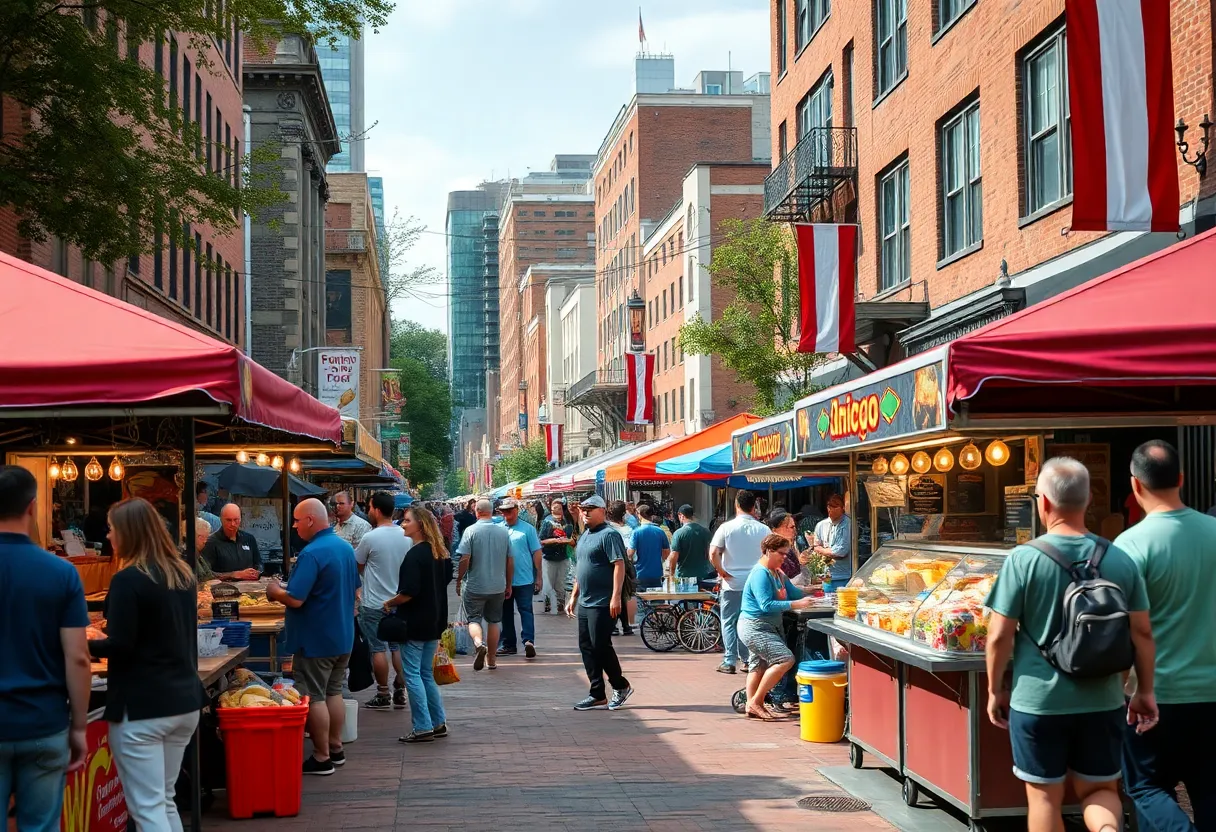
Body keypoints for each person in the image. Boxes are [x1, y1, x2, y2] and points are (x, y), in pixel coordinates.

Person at [985, 457, 1156, 832]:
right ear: (1089, 499)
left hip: (1038, 702)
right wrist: (1144, 690)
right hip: (1104, 700)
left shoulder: (1024, 559)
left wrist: (994, 689)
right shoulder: (1120, 559)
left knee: (1045, 797)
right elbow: (1142, 633)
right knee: (1099, 790)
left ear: (1042, 502)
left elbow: (999, 635)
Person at [1114, 440, 1216, 830]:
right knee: (1210, 790)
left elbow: (1122, 628)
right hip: (1212, 692)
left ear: (1135, 486)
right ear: (1182, 479)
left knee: (1146, 787)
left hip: (1153, 695)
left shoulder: (1130, 546)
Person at [88, 498, 207, 831]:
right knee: (163, 801)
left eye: (112, 529)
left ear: (128, 532)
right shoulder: (182, 575)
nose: (109, 536)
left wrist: (79, 643)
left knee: (147, 807)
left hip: (143, 706)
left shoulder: (129, 579)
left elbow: (121, 646)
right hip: (184, 702)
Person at [0, 466, 91, 831]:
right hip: (44, 721)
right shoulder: (61, 573)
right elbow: (78, 657)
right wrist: (80, 727)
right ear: (33, 507)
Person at [267, 498, 359, 776]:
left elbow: (295, 599)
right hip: (342, 636)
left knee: (314, 696)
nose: (293, 526)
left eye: (296, 520)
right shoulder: (343, 547)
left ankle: (321, 757)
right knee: (333, 692)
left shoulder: (311, 553)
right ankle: (336, 747)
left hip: (316, 639)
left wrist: (275, 591)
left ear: (309, 520)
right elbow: (355, 590)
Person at [383, 507, 452, 744]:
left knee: (412, 674)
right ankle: (438, 722)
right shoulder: (440, 553)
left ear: (420, 525)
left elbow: (408, 592)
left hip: (414, 622)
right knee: (425, 674)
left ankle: (422, 726)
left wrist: (390, 602)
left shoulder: (415, 556)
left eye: (407, 520)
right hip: (434, 621)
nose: (403, 523)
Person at [738, 533, 816, 721]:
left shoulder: (778, 573)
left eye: (786, 554)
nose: (784, 558)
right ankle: (756, 701)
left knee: (758, 665)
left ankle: (752, 705)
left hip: (768, 626)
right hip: (755, 627)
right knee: (785, 659)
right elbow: (766, 604)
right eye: (781, 554)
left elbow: (794, 593)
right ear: (768, 552)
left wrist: (815, 593)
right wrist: (795, 605)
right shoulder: (760, 574)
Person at [567, 496, 632, 711]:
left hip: (604, 601)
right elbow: (581, 568)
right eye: (583, 509)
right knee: (586, 646)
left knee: (600, 645)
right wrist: (574, 596)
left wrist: (615, 596)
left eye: (591, 509)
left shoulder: (609, 534)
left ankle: (620, 685)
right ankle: (597, 693)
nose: (585, 513)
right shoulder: (585, 535)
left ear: (602, 511)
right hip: (586, 601)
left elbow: (619, 565)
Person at [354, 492, 411, 711]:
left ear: (377, 510)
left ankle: (382, 693)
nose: (368, 511)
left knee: (377, 648)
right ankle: (400, 688)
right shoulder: (406, 534)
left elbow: (358, 566)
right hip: (399, 602)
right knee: (397, 647)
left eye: (369, 507)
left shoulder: (371, 537)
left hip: (374, 603)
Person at [709, 490, 769, 675]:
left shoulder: (726, 528)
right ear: (754, 507)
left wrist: (722, 571)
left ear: (736, 505)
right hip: (755, 585)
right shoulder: (764, 529)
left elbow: (713, 553)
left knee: (729, 621)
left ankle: (729, 660)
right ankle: (747, 660)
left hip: (732, 584)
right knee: (750, 621)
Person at [455, 499, 512, 671]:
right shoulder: (503, 532)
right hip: (497, 585)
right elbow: (510, 561)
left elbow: (464, 558)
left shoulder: (470, 531)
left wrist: (459, 579)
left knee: (473, 619)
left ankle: (479, 643)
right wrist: (508, 584)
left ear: (476, 511)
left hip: (475, 585)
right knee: (494, 621)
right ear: (492, 511)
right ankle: (492, 660)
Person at [497, 498, 543, 658]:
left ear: (516, 510)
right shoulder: (498, 529)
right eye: (503, 511)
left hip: (524, 579)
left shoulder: (527, 529)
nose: (506, 514)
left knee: (526, 610)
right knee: (505, 613)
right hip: (502, 579)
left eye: (509, 511)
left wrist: (539, 575)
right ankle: (509, 644)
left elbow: (536, 552)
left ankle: (528, 641)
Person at [200, 503, 261, 581]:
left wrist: (257, 572)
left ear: (240, 519)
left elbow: (259, 563)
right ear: (221, 519)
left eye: (236, 520)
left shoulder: (249, 539)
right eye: (228, 520)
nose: (232, 524)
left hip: (250, 587)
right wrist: (233, 575)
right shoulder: (210, 542)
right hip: (223, 589)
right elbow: (206, 574)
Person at [606, 500, 638, 635]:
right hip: (626, 565)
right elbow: (631, 551)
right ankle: (626, 626)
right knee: (623, 595)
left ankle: (613, 626)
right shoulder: (629, 529)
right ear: (623, 514)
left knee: (611, 595)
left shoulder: (607, 529)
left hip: (610, 566)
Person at [540, 499, 576, 615]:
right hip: (549, 557)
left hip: (563, 556)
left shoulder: (568, 522)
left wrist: (568, 541)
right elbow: (541, 540)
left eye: (559, 508)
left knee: (561, 582)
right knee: (548, 583)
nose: (556, 510)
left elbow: (573, 540)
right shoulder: (547, 522)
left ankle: (560, 603)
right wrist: (555, 540)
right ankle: (548, 603)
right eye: (554, 508)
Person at [810, 495, 852, 588]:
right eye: (829, 506)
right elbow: (816, 547)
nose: (831, 509)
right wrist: (827, 551)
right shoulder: (821, 525)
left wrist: (824, 550)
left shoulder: (848, 524)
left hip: (844, 576)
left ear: (842, 508)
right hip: (826, 576)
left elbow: (841, 551)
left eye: (835, 506)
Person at [668, 504, 714, 585]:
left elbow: (674, 556)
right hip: (703, 575)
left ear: (681, 516)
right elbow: (710, 553)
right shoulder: (705, 532)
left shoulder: (678, 533)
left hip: (684, 577)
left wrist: (671, 575)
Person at [627, 504, 669, 591]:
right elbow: (666, 554)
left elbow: (630, 554)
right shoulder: (660, 531)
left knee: (641, 602)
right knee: (657, 601)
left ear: (640, 515)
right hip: (657, 574)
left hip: (640, 574)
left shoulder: (636, 532)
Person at [766, 509, 807, 581]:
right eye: (792, 527)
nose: (795, 530)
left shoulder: (788, 548)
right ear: (777, 529)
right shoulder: (774, 551)